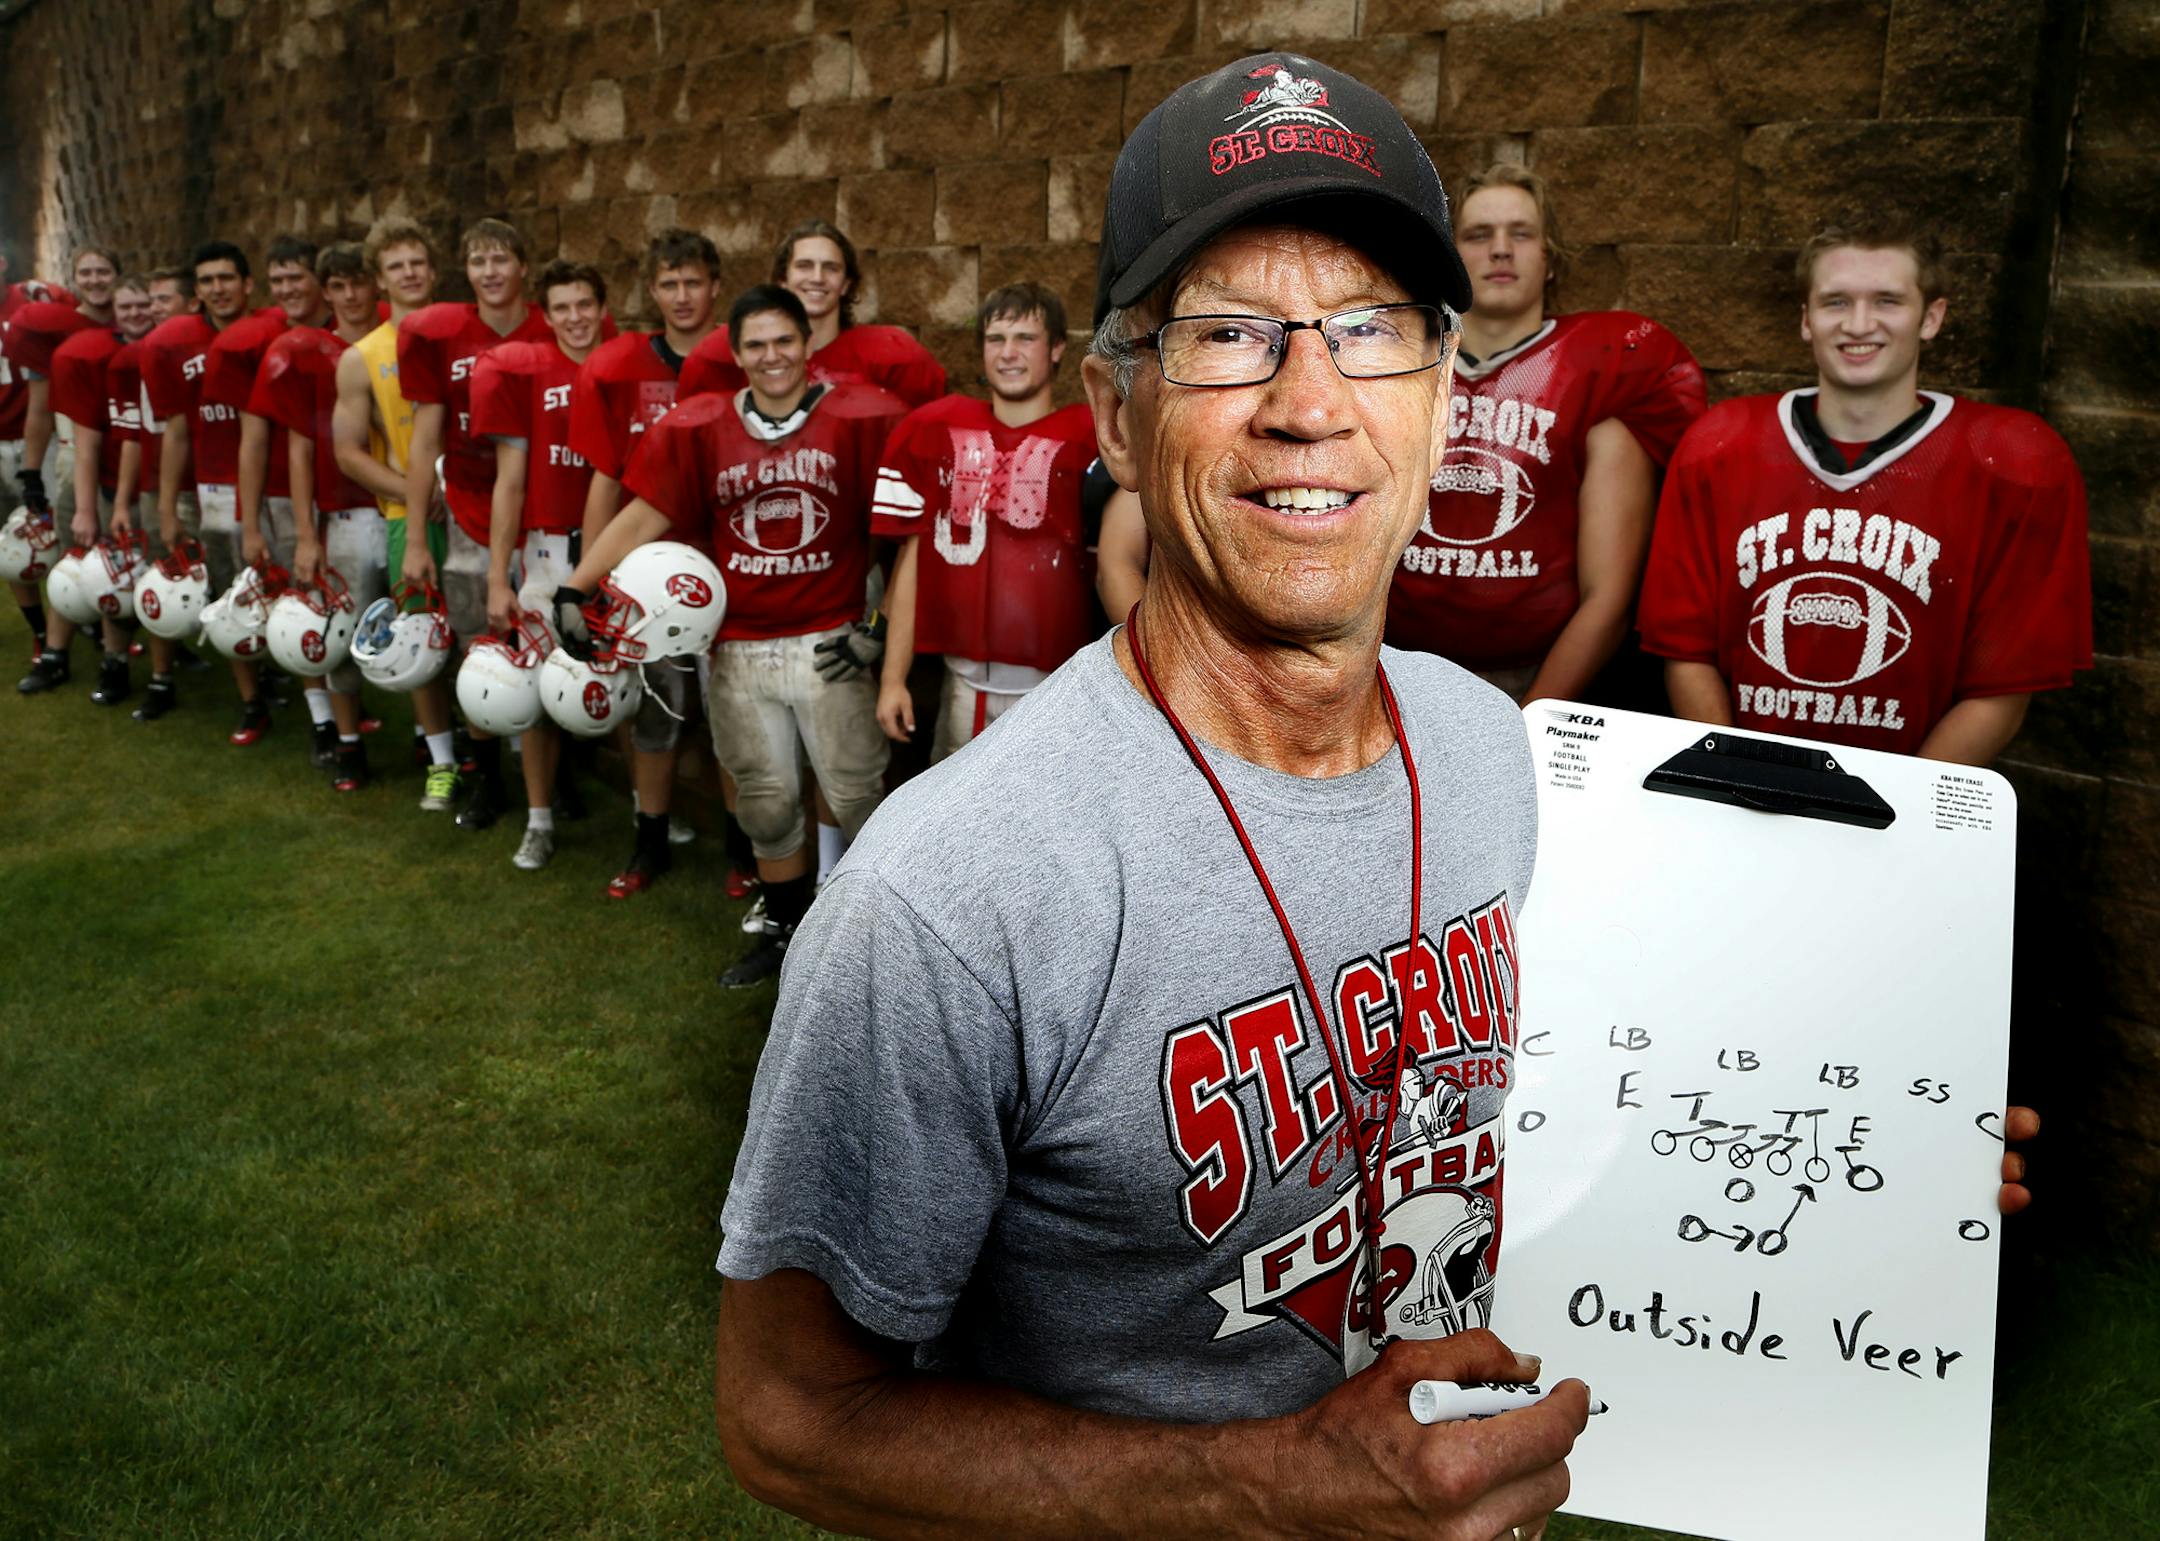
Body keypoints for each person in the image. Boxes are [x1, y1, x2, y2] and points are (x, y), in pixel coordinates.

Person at [710, 53, 1593, 1537]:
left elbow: (1531, 1094)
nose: (1310, 405)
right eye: (1230, 337)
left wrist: (1871, 1133)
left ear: (1445, 405)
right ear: (1115, 421)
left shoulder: (1488, 746)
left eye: (1372, 333)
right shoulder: (946, 899)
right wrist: (1272, 1491)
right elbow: (792, 1421)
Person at [1639, 216, 2093, 764]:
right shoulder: (1721, 444)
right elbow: (1687, 651)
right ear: (1805, 320)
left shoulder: (2013, 460)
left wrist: (1898, 814)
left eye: (1886, 301)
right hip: (1744, 781)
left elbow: (2003, 683)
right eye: (1835, 302)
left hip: (1909, 798)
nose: (1858, 323)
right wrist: (1740, 775)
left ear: (1932, 317)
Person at [558, 283, 905, 987]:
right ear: (737, 354)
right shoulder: (701, 426)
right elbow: (646, 512)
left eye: (784, 340)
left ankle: (879, 943)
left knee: (859, 794)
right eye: (756, 344)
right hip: (739, 644)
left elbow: (910, 532)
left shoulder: (863, 416)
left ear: (809, 346)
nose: (772, 356)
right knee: (766, 800)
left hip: (828, 639)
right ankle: (782, 930)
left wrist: (883, 624)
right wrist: (577, 583)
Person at [1387, 165, 1706, 703]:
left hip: (1536, 678)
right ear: (1450, 254)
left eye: (1522, 233)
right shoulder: (1394, 361)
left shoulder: (1600, 365)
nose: (1501, 250)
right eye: (1478, 235)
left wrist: (1531, 719)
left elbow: (1608, 598)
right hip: (1389, 671)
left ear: (1549, 257)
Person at [567, 227, 733, 898]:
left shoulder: (738, 355)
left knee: (730, 718)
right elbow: (607, 477)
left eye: (694, 281)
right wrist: (589, 575)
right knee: (658, 715)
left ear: (715, 286)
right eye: (670, 283)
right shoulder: (620, 366)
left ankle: (742, 848)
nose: (683, 295)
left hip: (722, 563)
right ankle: (650, 837)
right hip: (644, 569)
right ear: (652, 290)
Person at [872, 281, 1101, 760]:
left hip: (1063, 690)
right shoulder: (936, 428)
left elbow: (1123, 562)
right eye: (996, 339)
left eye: (1025, 338)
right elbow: (915, 561)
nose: (1008, 353)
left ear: (1057, 347)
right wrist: (894, 677)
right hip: (963, 685)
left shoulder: (1092, 437)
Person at [397, 216, 554, 827]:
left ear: (523, 267)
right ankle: (487, 777)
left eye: (501, 259)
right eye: (479, 261)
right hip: (468, 501)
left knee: (547, 639)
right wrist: (415, 537)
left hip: (542, 505)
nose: (491, 272)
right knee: (476, 645)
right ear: (466, 271)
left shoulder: (551, 328)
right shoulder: (442, 334)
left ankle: (552, 777)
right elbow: (423, 437)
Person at [471, 258, 607, 870]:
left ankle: (647, 816)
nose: (575, 318)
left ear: (603, 309)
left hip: (614, 547)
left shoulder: (623, 368)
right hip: (549, 551)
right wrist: (499, 575)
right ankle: (539, 818)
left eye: (585, 304)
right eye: (562, 308)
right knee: (534, 689)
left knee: (627, 679)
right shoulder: (527, 371)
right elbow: (509, 482)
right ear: (545, 315)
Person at [249, 241, 390, 789]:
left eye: (359, 283)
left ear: (375, 284)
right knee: (341, 632)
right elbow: (301, 448)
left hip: (400, 506)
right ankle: (347, 742)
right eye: (339, 286)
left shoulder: (399, 340)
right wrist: (307, 533)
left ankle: (433, 743)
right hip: (344, 511)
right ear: (325, 293)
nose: (351, 296)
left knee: (418, 628)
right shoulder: (309, 351)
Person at [333, 216, 453, 802]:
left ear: (434, 270)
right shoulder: (362, 356)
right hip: (411, 515)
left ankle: (503, 748)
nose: (409, 274)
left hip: (479, 507)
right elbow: (348, 453)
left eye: (417, 263)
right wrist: (414, 491)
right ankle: (443, 761)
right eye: (396, 266)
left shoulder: (465, 334)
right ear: (380, 279)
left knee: (491, 631)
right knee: (422, 636)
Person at [212, 234, 334, 747]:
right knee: (302, 605)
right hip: (288, 495)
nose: (286, 289)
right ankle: (322, 719)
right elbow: (253, 443)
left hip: (349, 491)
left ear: (319, 283)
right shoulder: (260, 341)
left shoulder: (350, 327)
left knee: (338, 604)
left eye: (296, 277)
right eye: (277, 279)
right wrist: (251, 521)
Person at [141, 239, 256, 721]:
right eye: (207, 281)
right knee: (168, 580)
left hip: (261, 484)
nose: (217, 289)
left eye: (226, 278)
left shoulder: (268, 332)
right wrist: (167, 508)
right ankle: (161, 678)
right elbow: (176, 431)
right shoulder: (172, 342)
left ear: (248, 284)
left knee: (247, 589)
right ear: (197, 291)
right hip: (201, 485)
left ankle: (258, 690)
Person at [679, 220, 947, 409]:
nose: (817, 278)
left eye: (830, 268)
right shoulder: (724, 350)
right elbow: (687, 442)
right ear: (783, 279)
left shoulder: (891, 355)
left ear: (846, 284)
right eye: (805, 266)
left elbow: (933, 439)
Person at [47, 271, 160, 706]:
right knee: (87, 570)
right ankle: (57, 656)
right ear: (113, 312)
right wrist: (86, 508)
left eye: (142, 305)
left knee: (134, 575)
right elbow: (86, 442)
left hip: (151, 482)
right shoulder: (95, 357)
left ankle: (120, 660)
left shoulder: (163, 349)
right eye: (126, 307)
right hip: (108, 481)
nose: (135, 314)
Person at [8, 245, 117, 694]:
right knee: (71, 554)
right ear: (74, 279)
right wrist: (32, 473)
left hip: (130, 451)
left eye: (103, 270)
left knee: (121, 559)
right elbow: (39, 409)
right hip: (77, 449)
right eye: (85, 272)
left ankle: (117, 657)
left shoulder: (136, 318)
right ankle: (55, 653)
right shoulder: (57, 330)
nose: (94, 279)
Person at [110, 267, 203, 722]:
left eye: (164, 299)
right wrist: (129, 498)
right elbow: (132, 435)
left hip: (213, 481)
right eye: (151, 300)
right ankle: (161, 676)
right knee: (161, 579)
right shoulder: (141, 356)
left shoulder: (209, 349)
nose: (153, 309)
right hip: (159, 483)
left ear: (193, 303)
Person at [1, 244, 78, 666]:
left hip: (37, 438)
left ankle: (72, 618)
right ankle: (40, 631)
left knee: (59, 536)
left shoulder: (34, 301)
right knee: (12, 547)